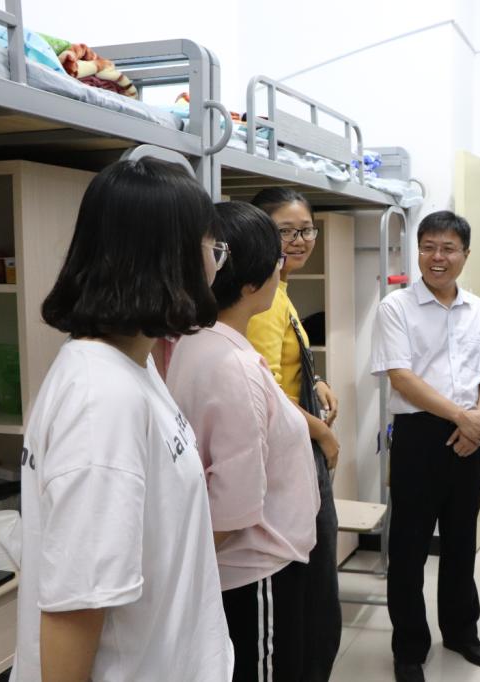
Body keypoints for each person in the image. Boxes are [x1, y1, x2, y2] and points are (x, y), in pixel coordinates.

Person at [12, 158, 233, 682]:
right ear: (171, 258)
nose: (216, 264)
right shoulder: (101, 400)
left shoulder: (132, 365)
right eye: (212, 247)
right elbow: (77, 606)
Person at [166, 202, 320, 682]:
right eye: (277, 259)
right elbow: (233, 507)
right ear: (252, 282)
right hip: (255, 572)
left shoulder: (199, 341)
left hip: (246, 567)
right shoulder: (232, 365)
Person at [371, 211, 480, 682]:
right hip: (420, 435)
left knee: (462, 540)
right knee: (408, 548)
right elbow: (401, 376)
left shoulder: (478, 308)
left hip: (472, 435)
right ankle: (409, 646)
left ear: (465, 254)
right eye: (428, 247)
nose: (437, 257)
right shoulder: (396, 307)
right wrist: (462, 418)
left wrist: (477, 423)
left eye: (448, 248)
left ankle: (461, 631)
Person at [245, 187, 343, 681]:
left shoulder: (279, 288)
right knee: (312, 583)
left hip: (295, 440)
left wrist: (315, 379)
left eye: (306, 230)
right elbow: (264, 390)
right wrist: (322, 435)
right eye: (286, 231)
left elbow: (283, 368)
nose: (300, 240)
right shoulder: (264, 300)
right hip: (287, 451)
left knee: (318, 579)